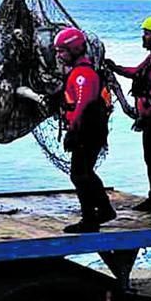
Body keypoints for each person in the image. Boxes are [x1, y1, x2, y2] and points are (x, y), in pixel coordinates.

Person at [53, 27, 117, 233]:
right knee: (83, 173)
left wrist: (73, 131)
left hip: (88, 129)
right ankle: (105, 210)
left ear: (74, 49)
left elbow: (83, 104)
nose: (59, 56)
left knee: (80, 174)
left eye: (62, 51)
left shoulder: (83, 74)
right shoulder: (81, 71)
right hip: (88, 128)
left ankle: (90, 219)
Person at [107, 15, 151, 213]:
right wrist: (116, 68)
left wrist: (148, 115)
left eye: (147, 33)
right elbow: (138, 72)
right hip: (150, 119)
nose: (143, 37)